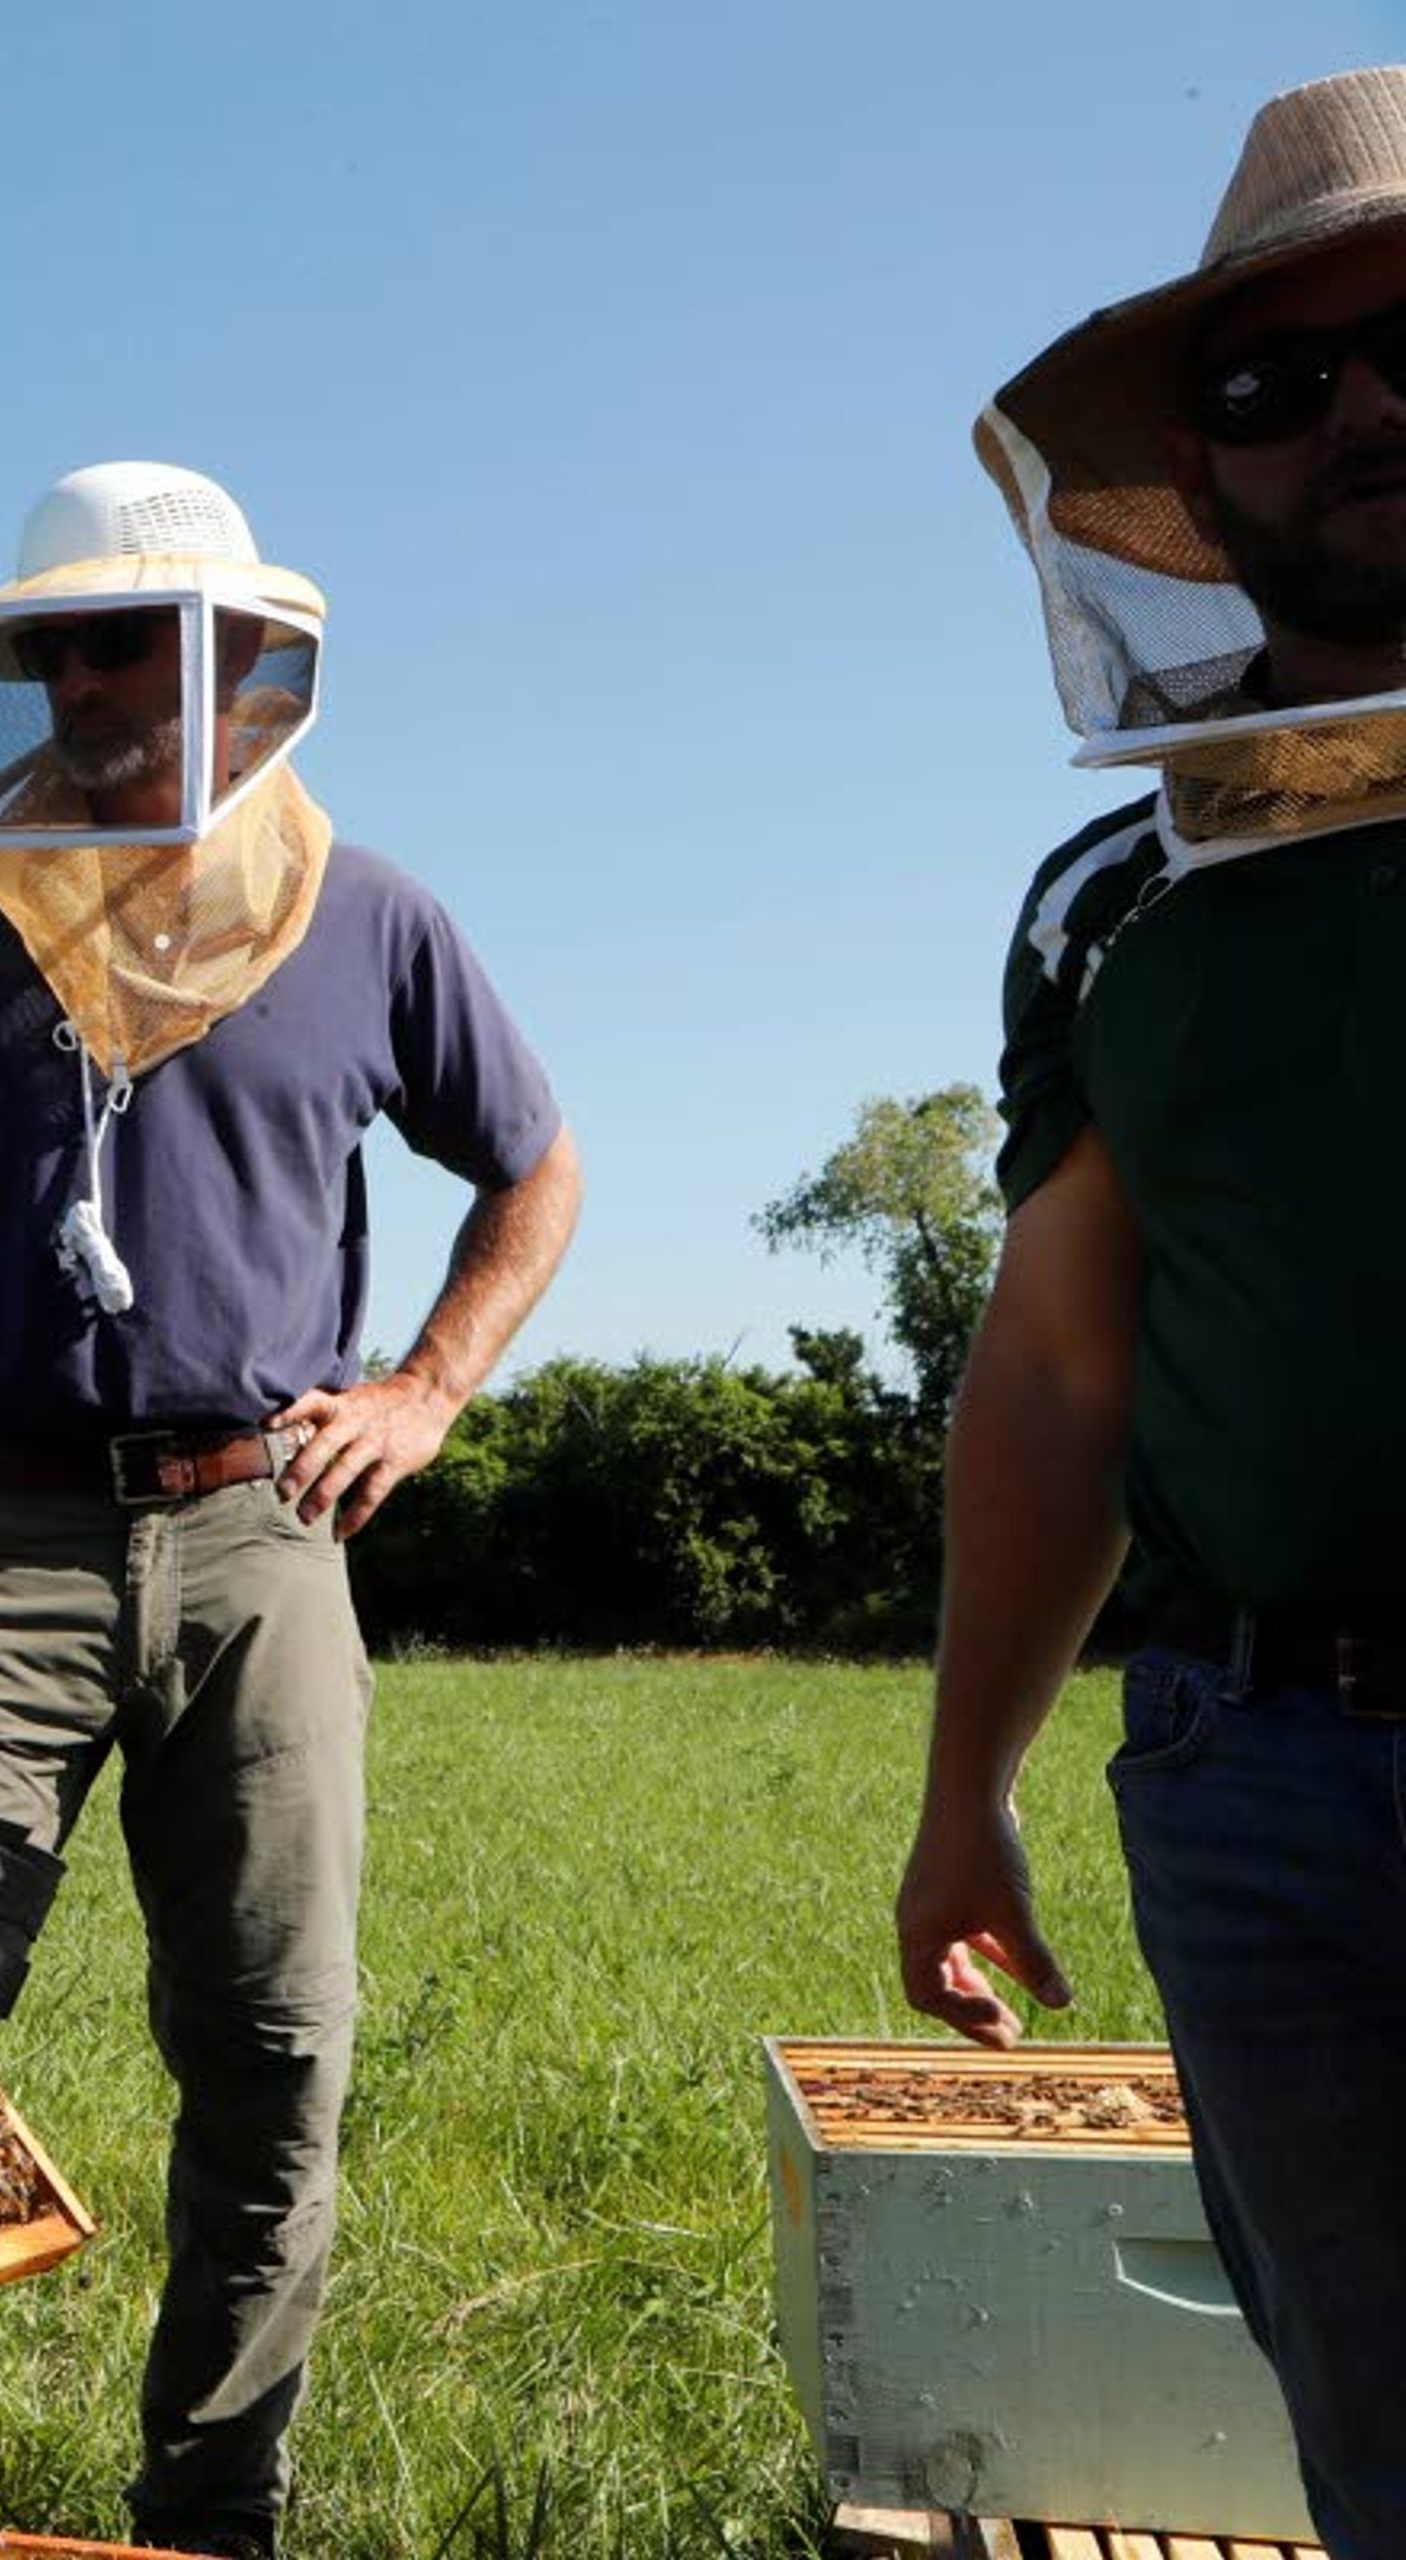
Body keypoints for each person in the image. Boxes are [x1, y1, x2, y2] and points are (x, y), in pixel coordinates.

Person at [0, 463, 578, 2560]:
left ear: (239, 663)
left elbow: (533, 1165)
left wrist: (430, 1386)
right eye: (60, 644)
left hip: (264, 1529)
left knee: (279, 2049)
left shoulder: (366, 911)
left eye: (132, 639)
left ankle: (213, 2514)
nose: (92, 679)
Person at [898, 64, 1406, 2556]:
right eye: (1276, 379)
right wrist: (968, 1776)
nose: (1367, 407)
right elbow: (1060, 1368)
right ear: (1187, 481)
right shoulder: (1120, 896)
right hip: (1263, 1773)